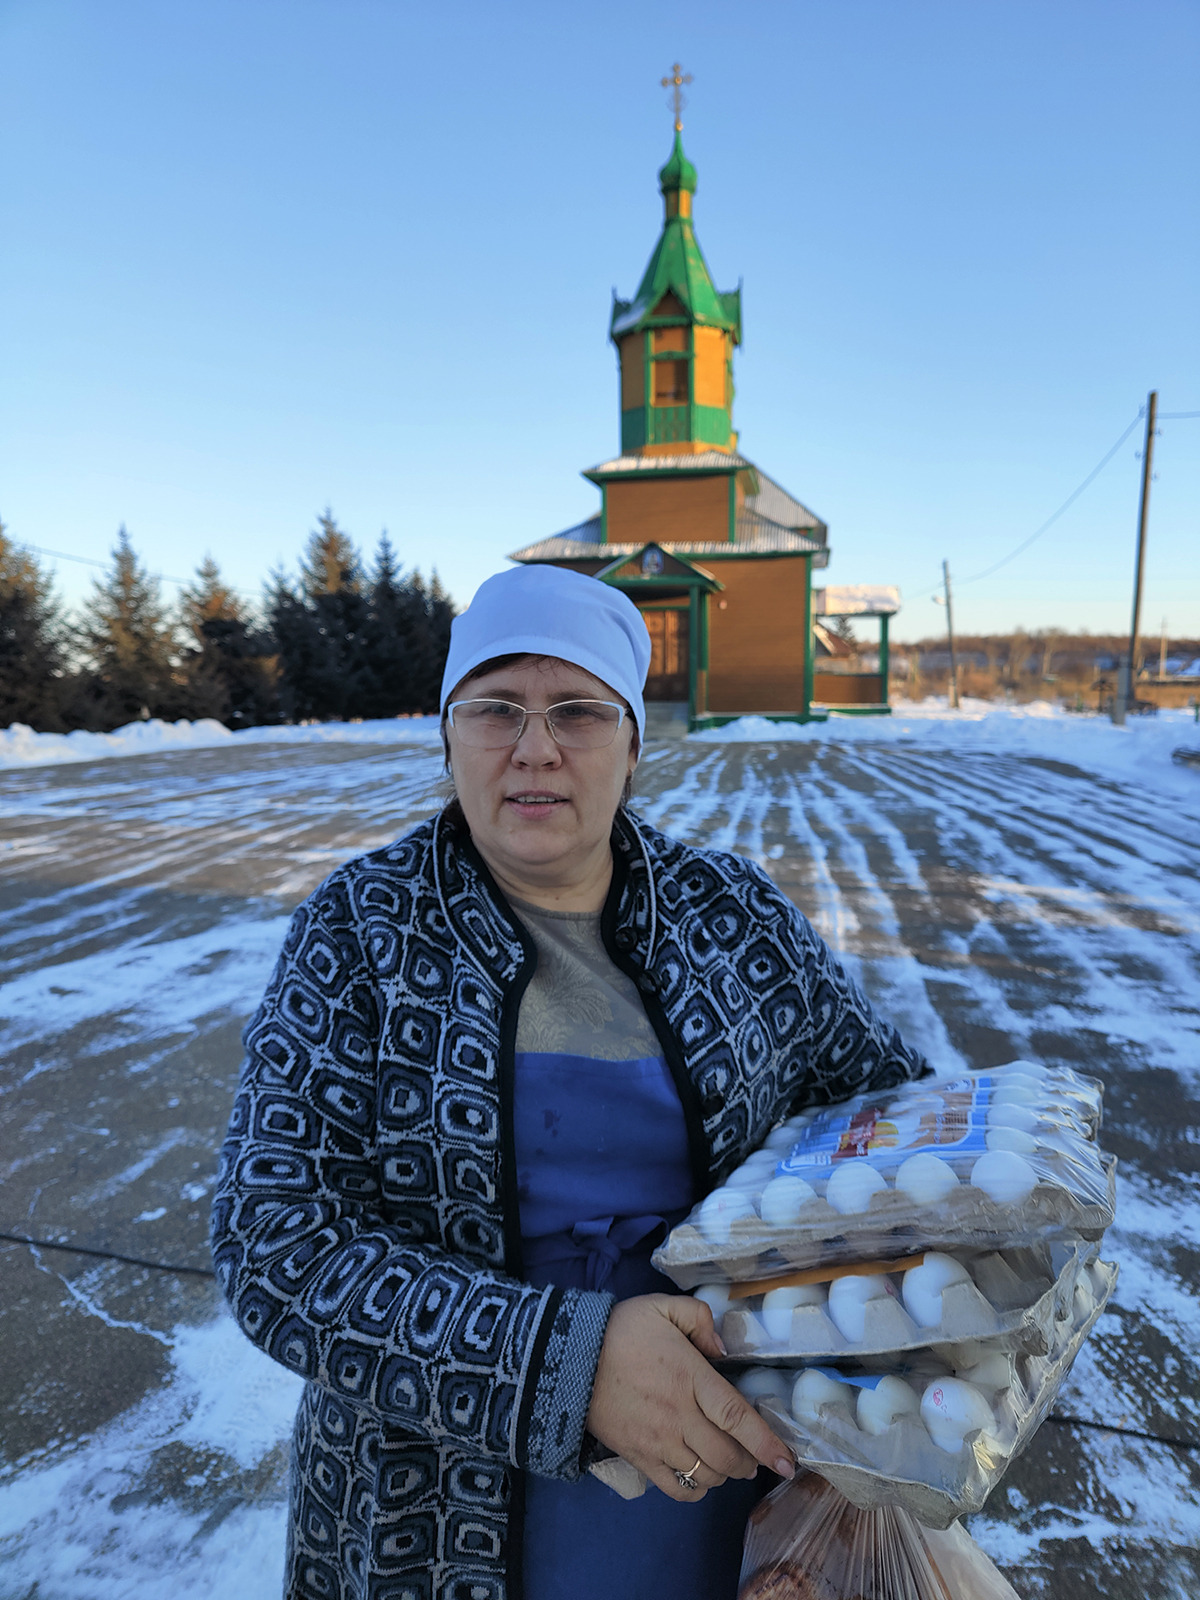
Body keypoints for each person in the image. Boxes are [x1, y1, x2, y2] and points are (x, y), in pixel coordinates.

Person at [211, 564, 928, 1600]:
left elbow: (891, 1114)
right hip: (432, 1506)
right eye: (496, 709)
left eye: (579, 711)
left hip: (735, 1486)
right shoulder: (362, 933)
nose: (535, 747)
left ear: (634, 743)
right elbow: (275, 1240)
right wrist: (565, 1364)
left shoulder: (733, 919)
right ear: (448, 736)